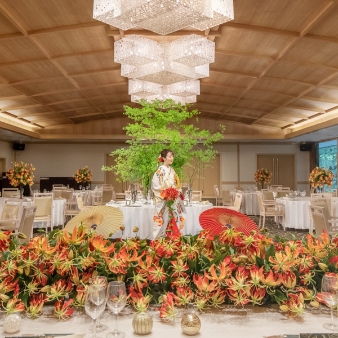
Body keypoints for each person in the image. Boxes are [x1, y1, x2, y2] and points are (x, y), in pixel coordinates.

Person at [151, 149, 185, 238]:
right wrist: (166, 193)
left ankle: (170, 240)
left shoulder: (172, 170)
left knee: (172, 220)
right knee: (161, 221)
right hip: (163, 200)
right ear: (163, 158)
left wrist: (177, 192)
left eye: (172, 156)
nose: (172, 158)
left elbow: (177, 184)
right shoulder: (160, 170)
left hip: (172, 200)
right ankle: (157, 242)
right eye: (169, 156)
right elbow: (155, 185)